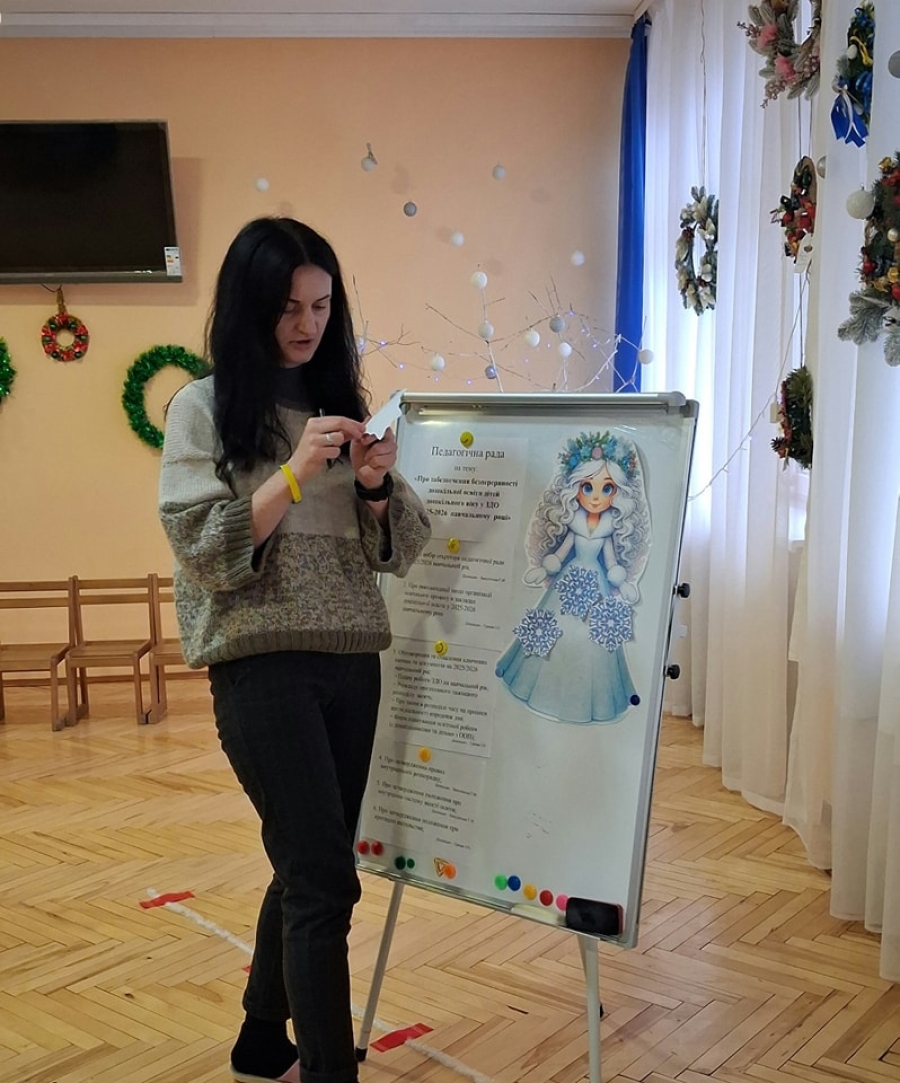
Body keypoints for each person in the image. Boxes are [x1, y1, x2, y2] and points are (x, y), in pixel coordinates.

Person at [158, 216, 431, 1083]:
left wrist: (376, 485)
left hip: (352, 661)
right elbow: (203, 549)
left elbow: (400, 547)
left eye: (320, 305)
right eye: (287, 307)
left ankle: (259, 1037)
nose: (306, 323)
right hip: (259, 665)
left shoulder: (338, 406)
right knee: (322, 880)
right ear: (249, 308)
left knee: (308, 860)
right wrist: (292, 475)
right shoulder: (201, 408)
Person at [495, 431, 651, 724]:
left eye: (606, 488)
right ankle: (540, 689)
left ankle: (587, 701)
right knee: (551, 630)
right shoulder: (575, 523)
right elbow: (561, 551)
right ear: (575, 488)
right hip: (567, 583)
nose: (596, 497)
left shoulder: (608, 529)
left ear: (617, 493)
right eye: (588, 487)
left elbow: (611, 561)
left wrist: (622, 581)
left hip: (597, 586)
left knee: (595, 638)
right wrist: (546, 567)